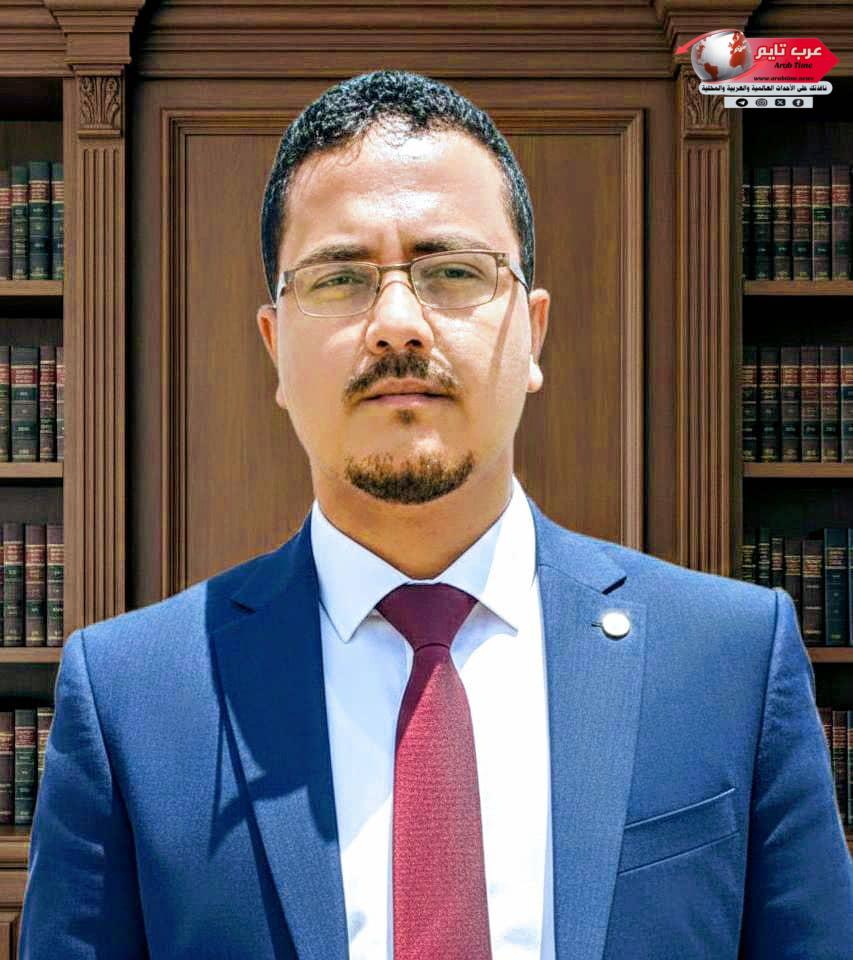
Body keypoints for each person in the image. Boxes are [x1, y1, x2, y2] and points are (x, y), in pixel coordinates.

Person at [19, 70, 852, 960]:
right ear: (275, 346)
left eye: (452, 272)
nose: (396, 323)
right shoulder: (132, 696)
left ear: (532, 331)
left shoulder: (727, 659)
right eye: (340, 278)